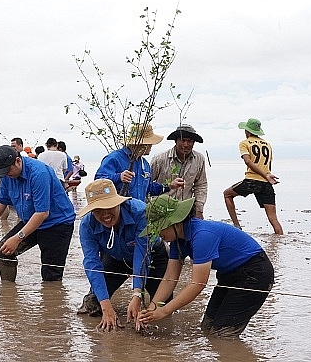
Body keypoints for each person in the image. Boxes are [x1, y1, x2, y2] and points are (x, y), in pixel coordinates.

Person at [137, 194, 274, 337]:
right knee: (207, 327)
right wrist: (153, 308)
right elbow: (170, 277)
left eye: (160, 228)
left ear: (175, 222)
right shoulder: (178, 241)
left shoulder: (202, 235)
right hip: (228, 275)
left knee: (222, 335)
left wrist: (164, 311)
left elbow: (198, 283)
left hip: (254, 274)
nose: (158, 234)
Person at [77, 179, 170, 331]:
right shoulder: (87, 225)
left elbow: (142, 255)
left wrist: (137, 294)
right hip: (115, 258)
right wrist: (106, 306)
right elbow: (92, 263)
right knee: (93, 305)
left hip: (152, 255)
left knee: (162, 309)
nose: (105, 215)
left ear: (118, 203)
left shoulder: (140, 212)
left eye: (109, 207)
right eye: (98, 210)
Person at [0, 145, 76, 282]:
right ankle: (8, 296)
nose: (6, 175)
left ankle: (53, 300)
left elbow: (42, 213)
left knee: (51, 274)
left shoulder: (38, 173)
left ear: (18, 161)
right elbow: (2, 200)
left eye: (8, 171)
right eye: (3, 172)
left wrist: (18, 238)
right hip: (31, 219)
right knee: (4, 252)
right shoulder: (6, 175)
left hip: (57, 223)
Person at [223, 118, 284, 235]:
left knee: (227, 194)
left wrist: (265, 175)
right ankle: (280, 243)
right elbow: (267, 165)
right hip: (266, 182)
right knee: (273, 218)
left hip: (253, 180)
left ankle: (237, 226)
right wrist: (267, 175)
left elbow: (248, 161)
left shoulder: (244, 143)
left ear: (248, 131)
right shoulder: (267, 144)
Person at [95, 123, 183, 200]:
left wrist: (170, 186)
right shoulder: (114, 158)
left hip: (138, 214)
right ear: (142, 144)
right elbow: (98, 183)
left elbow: (149, 188)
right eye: (149, 143)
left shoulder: (144, 164)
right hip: (119, 214)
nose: (151, 146)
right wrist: (119, 177)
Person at [151, 124, 208, 219]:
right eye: (183, 140)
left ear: (194, 143)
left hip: (186, 210)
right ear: (176, 141)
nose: (186, 144)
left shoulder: (199, 159)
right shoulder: (160, 159)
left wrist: (199, 210)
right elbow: (145, 184)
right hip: (161, 210)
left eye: (189, 141)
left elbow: (201, 185)